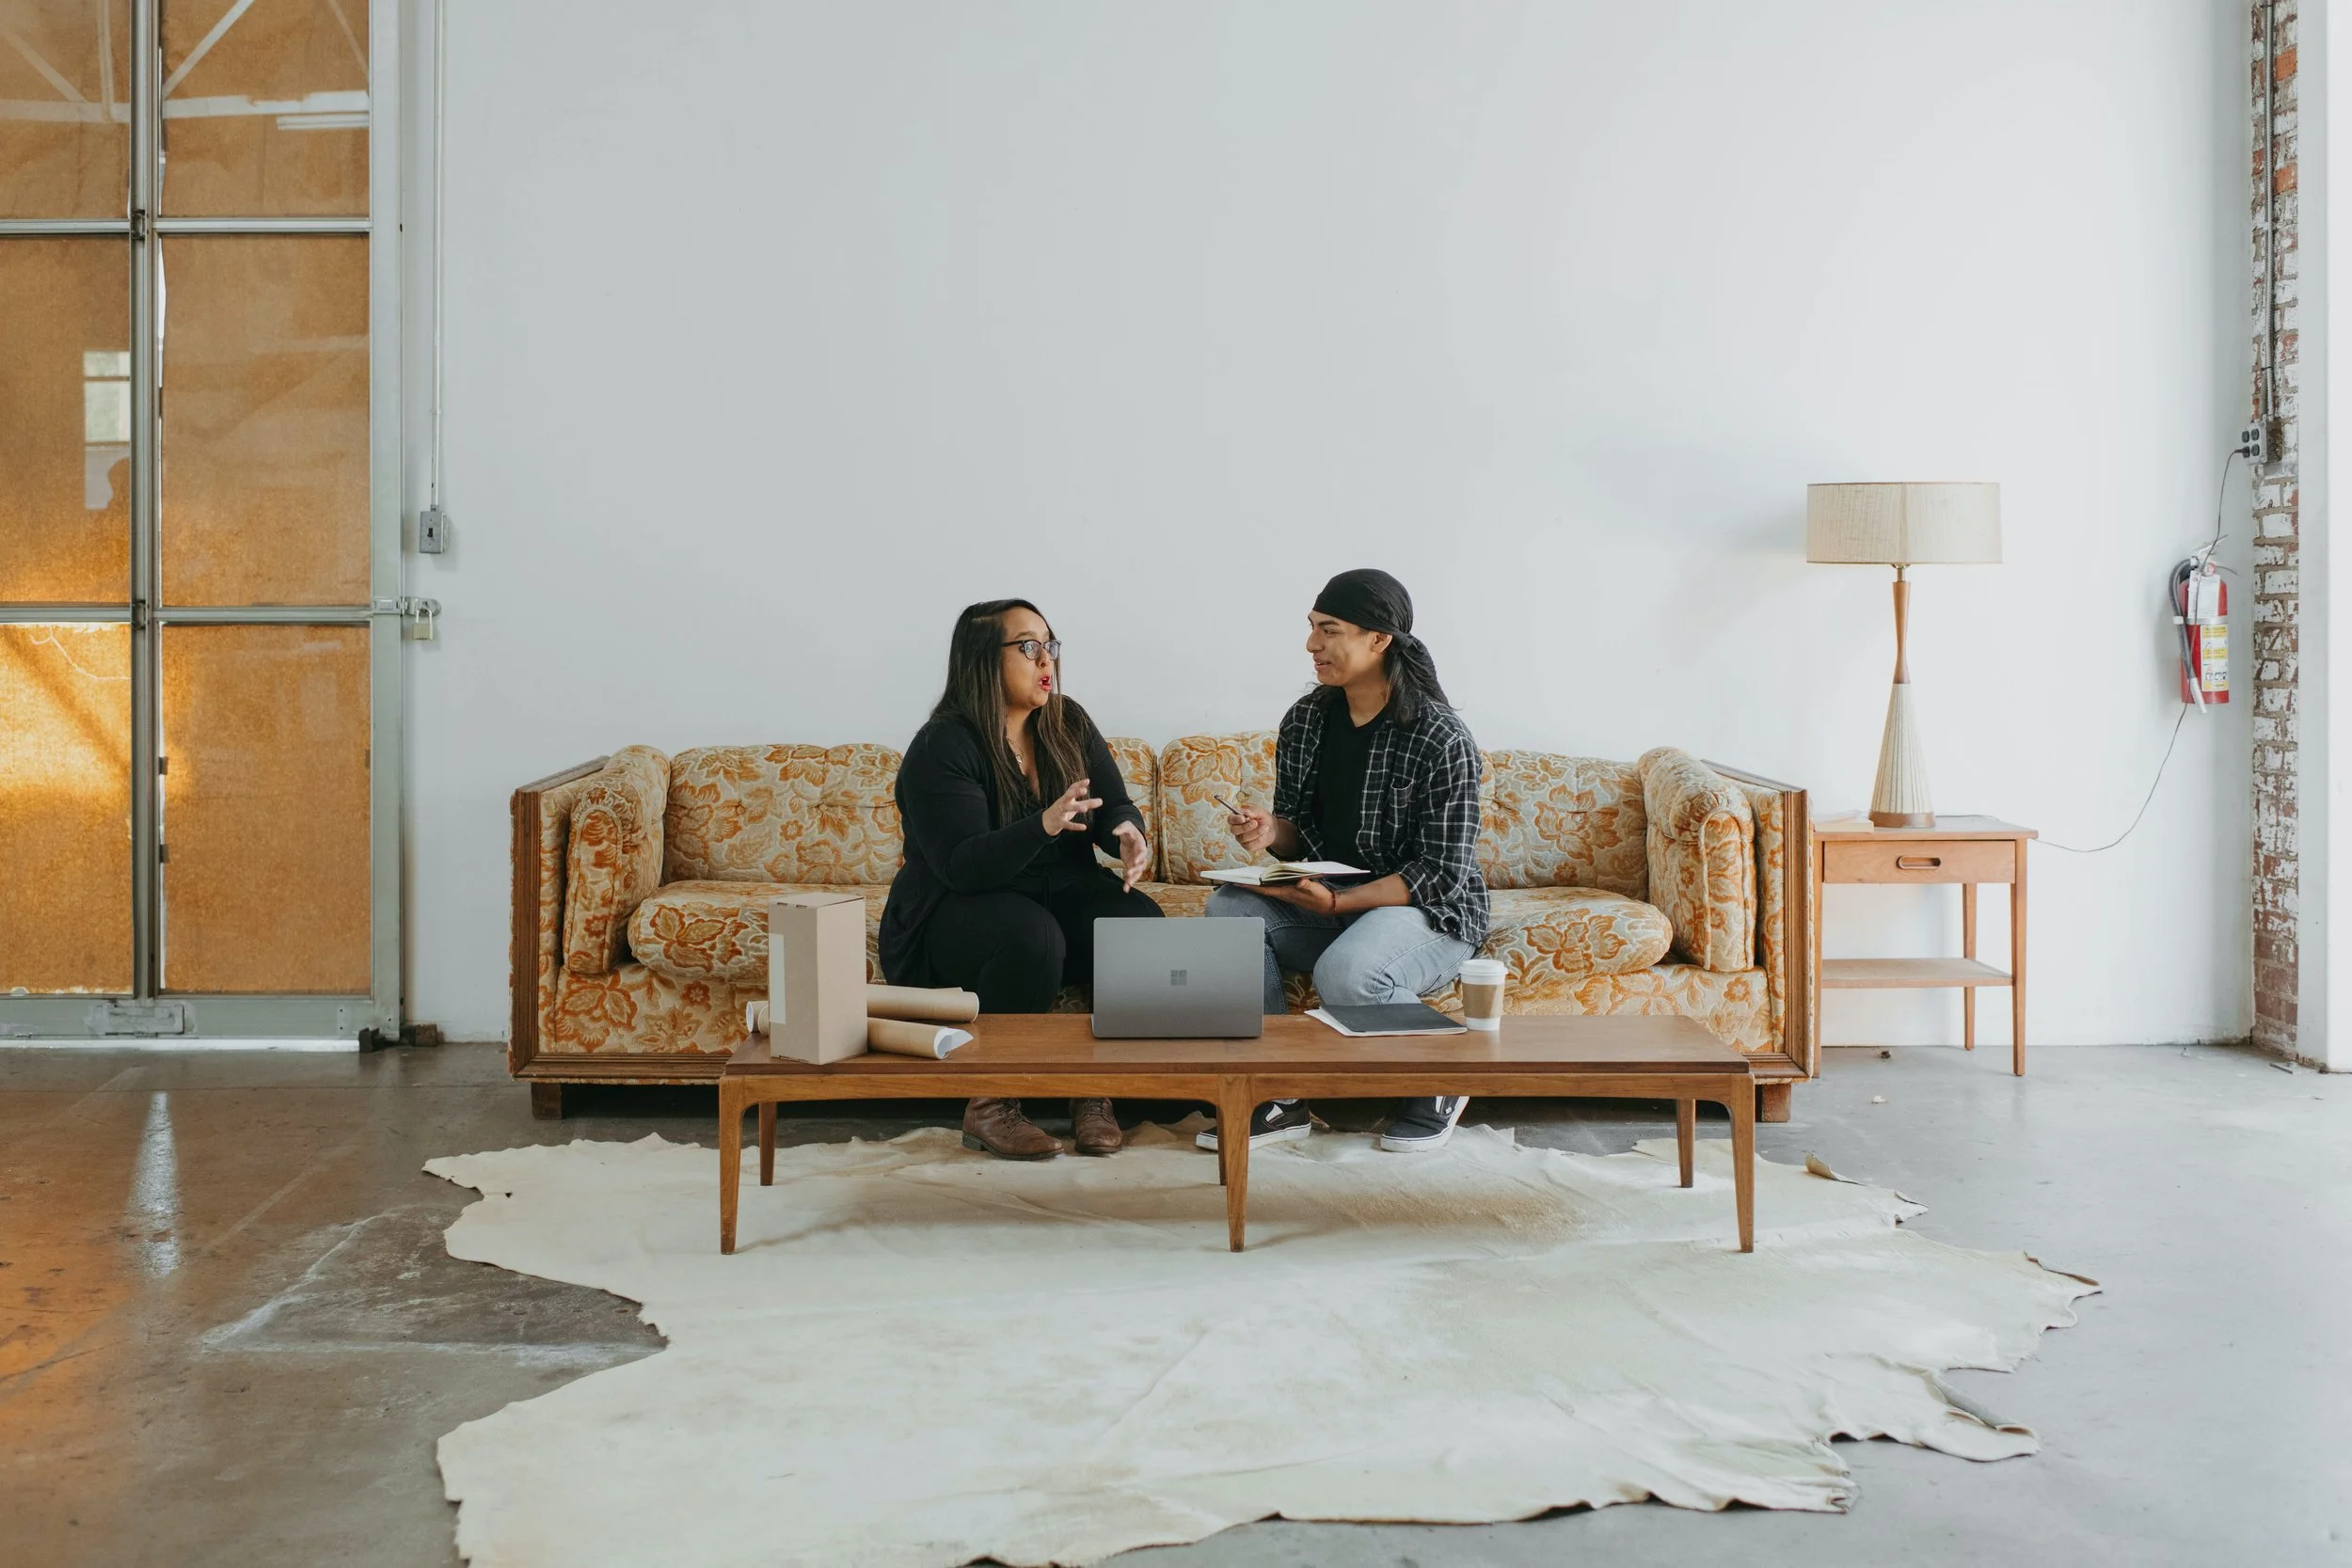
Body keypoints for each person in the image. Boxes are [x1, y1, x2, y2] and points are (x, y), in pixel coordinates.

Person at [1204, 568, 1489, 1154]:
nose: (1313, 646)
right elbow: (1301, 833)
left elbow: (1440, 872)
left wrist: (1340, 902)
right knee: (1228, 912)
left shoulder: (1440, 737)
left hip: (1428, 910)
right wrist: (1269, 832)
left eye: (1329, 631)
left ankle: (1443, 1080)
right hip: (1336, 901)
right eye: (1311, 629)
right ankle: (1277, 1095)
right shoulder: (1307, 719)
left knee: (1348, 972)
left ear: (1379, 639)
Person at [880, 599, 1162, 1160]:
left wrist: (1128, 833)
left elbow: (1112, 805)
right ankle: (991, 1102)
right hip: (955, 907)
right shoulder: (944, 744)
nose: (1046, 659)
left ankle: (1092, 1089)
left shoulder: (1067, 720)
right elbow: (962, 865)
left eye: (1050, 644)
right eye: (1028, 645)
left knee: (1138, 922)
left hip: (1052, 891)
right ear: (985, 658)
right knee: (1033, 938)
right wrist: (1043, 825)